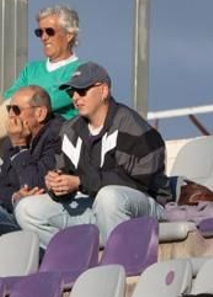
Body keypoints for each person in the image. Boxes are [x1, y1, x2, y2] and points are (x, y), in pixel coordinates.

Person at [16, 61, 168, 245]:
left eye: (82, 91)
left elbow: (138, 182)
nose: (75, 98)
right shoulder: (70, 130)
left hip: (145, 205)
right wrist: (57, 185)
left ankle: (121, 260)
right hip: (94, 205)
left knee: (109, 197)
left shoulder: (131, 125)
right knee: (27, 209)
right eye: (72, 93)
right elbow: (66, 176)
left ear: (103, 91)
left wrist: (80, 182)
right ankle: (73, 260)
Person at [0, 86, 65, 236]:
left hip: (41, 219)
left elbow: (35, 185)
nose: (11, 115)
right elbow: (2, 184)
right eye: (9, 109)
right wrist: (14, 197)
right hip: (14, 210)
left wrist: (20, 146)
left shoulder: (59, 134)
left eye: (16, 109)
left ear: (40, 113)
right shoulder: (11, 140)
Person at [7, 6, 84, 120]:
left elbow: (47, 101)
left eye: (49, 31)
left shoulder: (81, 71)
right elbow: (9, 101)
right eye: (39, 32)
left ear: (69, 35)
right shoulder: (30, 69)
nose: (44, 37)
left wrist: (18, 104)